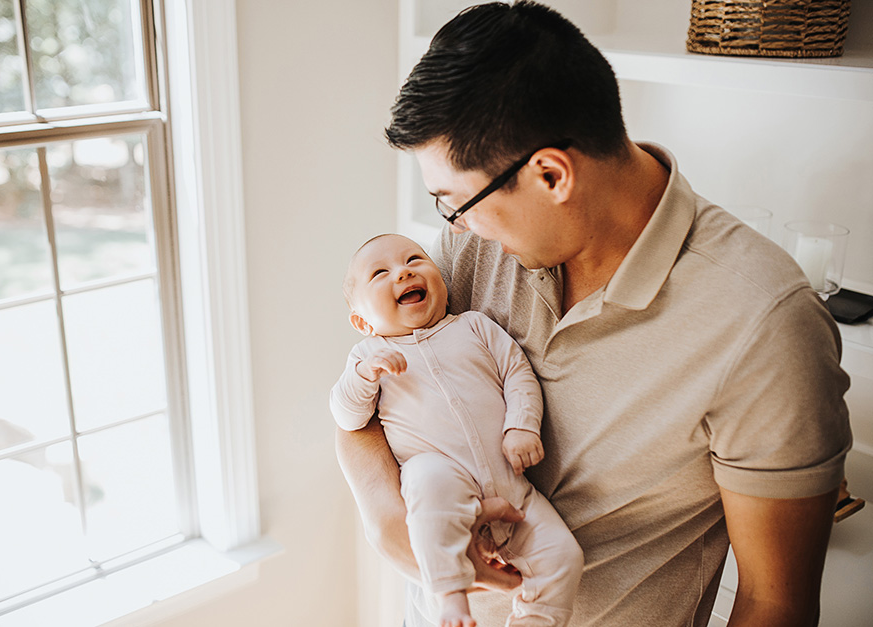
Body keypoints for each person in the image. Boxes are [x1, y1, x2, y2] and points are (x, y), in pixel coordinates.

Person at [334, 2, 852, 627]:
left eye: (454, 203)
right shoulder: (473, 242)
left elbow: (776, 603)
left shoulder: (765, 323)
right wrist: (385, 516)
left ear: (551, 175)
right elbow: (372, 396)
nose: (455, 225)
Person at [331, 233, 583, 627]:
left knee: (564, 556)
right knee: (428, 485)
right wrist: (364, 374)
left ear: (445, 285)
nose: (404, 271)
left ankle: (534, 620)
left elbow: (517, 374)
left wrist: (521, 427)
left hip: (513, 488)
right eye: (381, 273)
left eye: (415, 259)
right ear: (362, 322)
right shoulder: (367, 356)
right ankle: (450, 597)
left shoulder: (475, 327)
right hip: (440, 481)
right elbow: (348, 418)